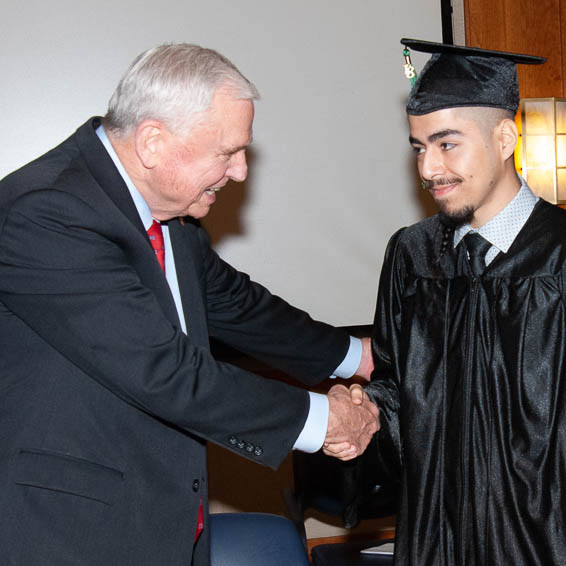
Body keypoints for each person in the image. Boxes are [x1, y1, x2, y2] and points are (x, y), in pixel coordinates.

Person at [0, 44, 378, 566]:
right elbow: (166, 372)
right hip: (69, 535)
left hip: (166, 525)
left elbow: (239, 306)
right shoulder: (44, 214)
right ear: (153, 141)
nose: (242, 171)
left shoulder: (167, 217)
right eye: (227, 152)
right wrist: (325, 421)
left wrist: (364, 357)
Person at [327, 38, 566, 565]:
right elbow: (396, 388)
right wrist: (362, 417)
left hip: (542, 539)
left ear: (505, 137)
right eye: (418, 148)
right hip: (435, 536)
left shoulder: (559, 257)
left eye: (447, 144)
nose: (428, 168)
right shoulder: (411, 256)